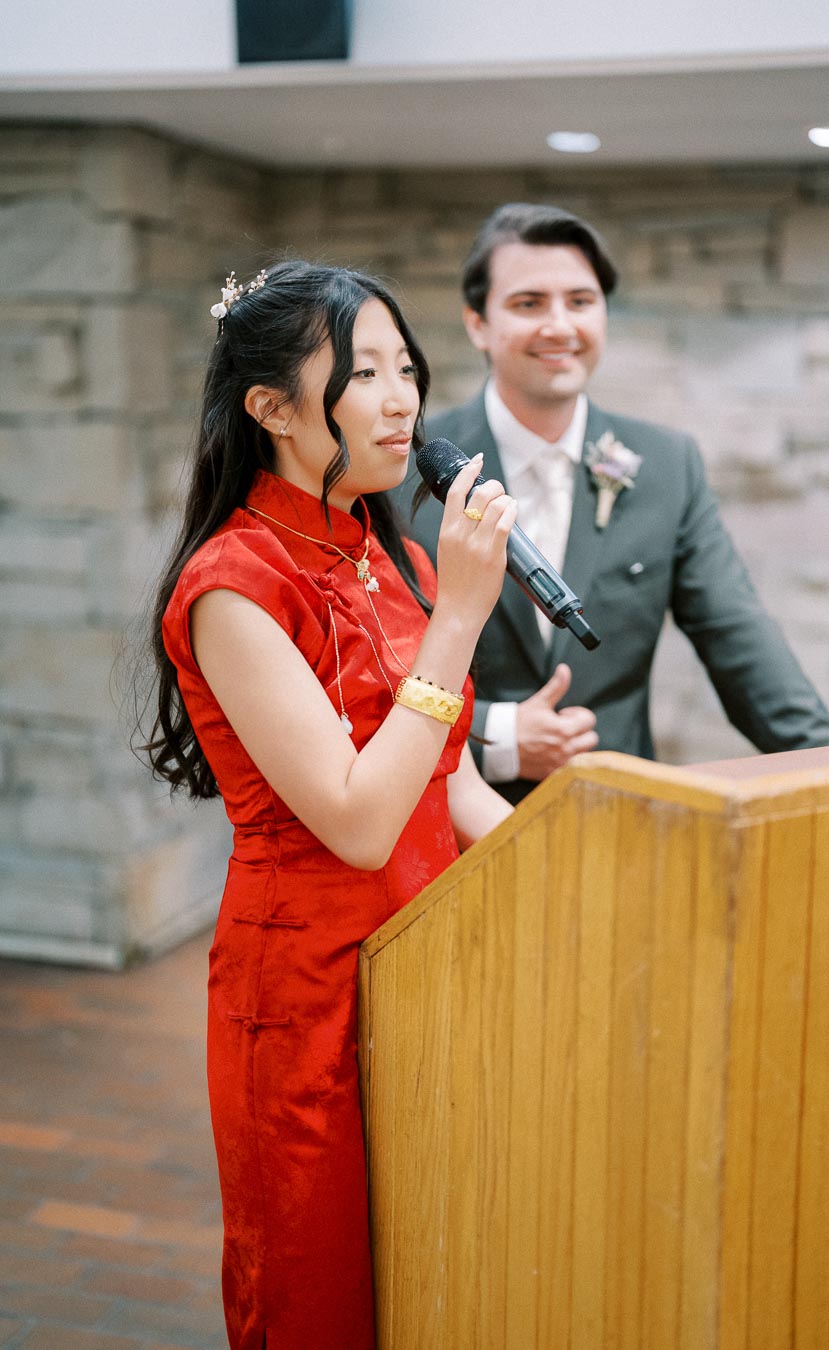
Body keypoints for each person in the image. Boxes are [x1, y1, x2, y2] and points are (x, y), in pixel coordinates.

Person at [139, 261, 516, 1348]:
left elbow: (452, 783)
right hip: (305, 991)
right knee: (317, 1291)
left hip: (427, 961)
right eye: (364, 373)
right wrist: (459, 622)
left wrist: (581, 856)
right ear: (270, 408)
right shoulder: (233, 582)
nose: (402, 398)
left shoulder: (388, 550)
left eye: (408, 368)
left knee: (428, 1267)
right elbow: (355, 821)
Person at [403, 202, 829, 804]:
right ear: (478, 323)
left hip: (621, 826)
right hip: (446, 833)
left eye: (581, 302)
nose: (559, 326)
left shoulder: (666, 466)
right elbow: (358, 676)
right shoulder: (404, 471)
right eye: (528, 303)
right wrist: (497, 731)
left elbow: (741, 644)